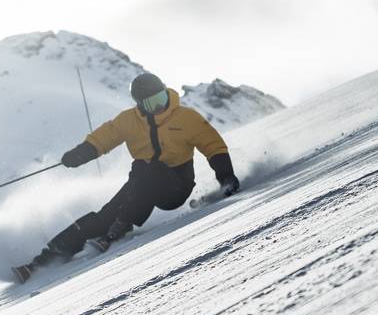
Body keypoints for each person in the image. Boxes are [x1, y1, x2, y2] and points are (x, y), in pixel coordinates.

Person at [14, 72, 240, 281]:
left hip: (175, 186)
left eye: (161, 97)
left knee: (150, 170)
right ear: (141, 105)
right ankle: (41, 261)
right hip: (141, 182)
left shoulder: (185, 118)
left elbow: (213, 145)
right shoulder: (129, 120)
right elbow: (106, 136)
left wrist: (226, 177)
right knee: (103, 216)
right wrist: (81, 153)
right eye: (152, 103)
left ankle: (121, 226)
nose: (160, 106)